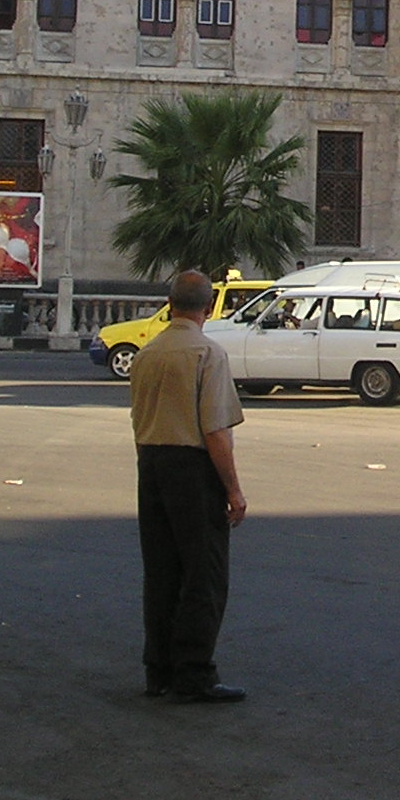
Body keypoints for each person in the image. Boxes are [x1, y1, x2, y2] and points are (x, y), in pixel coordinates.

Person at [130, 269, 248, 703]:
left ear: (170, 302)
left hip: (151, 463)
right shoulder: (207, 354)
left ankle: (157, 669)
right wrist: (233, 489)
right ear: (209, 305)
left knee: (161, 572)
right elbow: (216, 430)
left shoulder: (148, 353)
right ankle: (194, 671)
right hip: (192, 467)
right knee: (204, 574)